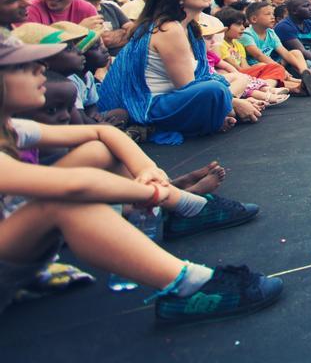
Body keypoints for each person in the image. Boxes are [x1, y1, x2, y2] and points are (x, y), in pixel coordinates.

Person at [0, 36, 282, 322]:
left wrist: (150, 172)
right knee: (62, 202)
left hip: (15, 240)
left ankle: (171, 211)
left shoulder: (11, 127)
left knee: (98, 151)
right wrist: (158, 194)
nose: (41, 69)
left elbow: (105, 134)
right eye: (23, 66)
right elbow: (76, 185)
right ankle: (187, 283)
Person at [96, 0, 246, 145]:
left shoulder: (187, 27)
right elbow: (188, 86)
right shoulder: (168, 28)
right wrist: (234, 103)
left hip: (171, 100)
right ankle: (157, 126)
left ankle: (215, 114)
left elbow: (198, 79)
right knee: (214, 90)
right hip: (152, 106)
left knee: (236, 79)